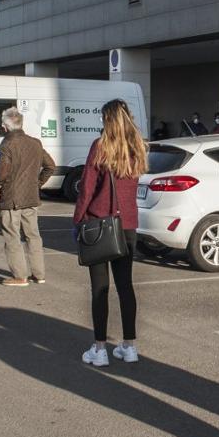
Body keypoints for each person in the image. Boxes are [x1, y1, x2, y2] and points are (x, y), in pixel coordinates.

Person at [73, 99, 147, 366]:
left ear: (108, 119)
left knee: (100, 289)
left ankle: (100, 349)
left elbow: (87, 188)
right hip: (127, 225)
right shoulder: (137, 147)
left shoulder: (100, 146)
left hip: (100, 223)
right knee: (125, 286)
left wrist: (78, 219)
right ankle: (130, 346)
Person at [0, 107, 56, 286]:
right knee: (33, 236)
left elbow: (2, 171)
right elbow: (50, 166)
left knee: (12, 236)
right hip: (30, 196)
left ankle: (20, 276)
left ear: (5, 126)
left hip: (11, 197)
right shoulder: (35, 143)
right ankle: (39, 274)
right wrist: (37, 184)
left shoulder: (7, 144)